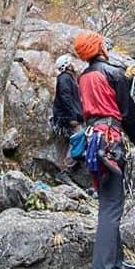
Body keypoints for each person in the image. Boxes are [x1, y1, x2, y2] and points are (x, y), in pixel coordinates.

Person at [74, 31, 135, 269]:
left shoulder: (83, 77)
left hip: (96, 144)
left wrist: (125, 78)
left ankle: (116, 267)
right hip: (111, 143)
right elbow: (126, 113)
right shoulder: (113, 73)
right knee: (111, 209)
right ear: (98, 48)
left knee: (109, 205)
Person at [50, 54, 84, 187]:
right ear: (67, 66)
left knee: (74, 140)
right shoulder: (64, 78)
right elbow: (65, 99)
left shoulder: (68, 78)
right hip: (67, 117)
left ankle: (66, 166)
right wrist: (72, 118)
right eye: (71, 62)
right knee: (80, 137)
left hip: (69, 115)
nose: (73, 64)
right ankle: (66, 170)